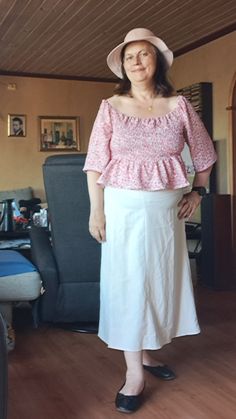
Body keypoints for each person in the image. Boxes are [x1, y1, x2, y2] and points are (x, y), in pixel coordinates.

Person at [83, 28, 217, 413]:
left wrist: (197, 191)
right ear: (123, 67)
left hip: (166, 214)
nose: (136, 61)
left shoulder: (179, 106)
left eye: (143, 54)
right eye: (129, 57)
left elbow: (204, 153)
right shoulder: (110, 106)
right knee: (128, 284)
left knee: (158, 281)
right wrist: (97, 210)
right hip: (121, 208)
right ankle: (134, 373)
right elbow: (95, 165)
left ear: (156, 60)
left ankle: (146, 354)